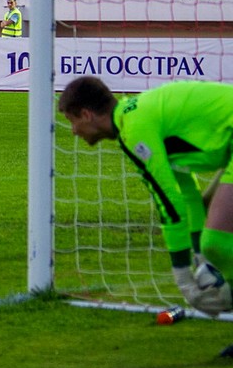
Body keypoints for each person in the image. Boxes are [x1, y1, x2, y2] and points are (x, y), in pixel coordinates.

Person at [59, 77, 233, 316]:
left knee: (216, 242)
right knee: (213, 239)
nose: (73, 131)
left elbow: (169, 202)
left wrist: (183, 279)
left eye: (72, 121)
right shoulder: (134, 117)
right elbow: (187, 193)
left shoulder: (135, 129)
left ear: (86, 115)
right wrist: (199, 259)